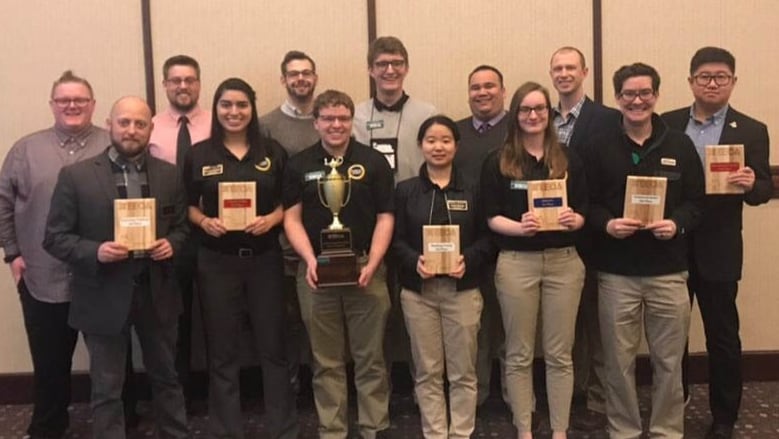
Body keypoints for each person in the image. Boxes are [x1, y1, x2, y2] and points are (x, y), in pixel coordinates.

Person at [43, 96, 190, 439]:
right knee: (107, 388)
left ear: (151, 129)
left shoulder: (169, 175)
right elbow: (54, 237)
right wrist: (95, 251)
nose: (131, 130)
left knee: (167, 378)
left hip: (158, 293)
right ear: (109, 124)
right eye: (124, 122)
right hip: (102, 294)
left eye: (140, 123)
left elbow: (183, 227)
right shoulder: (76, 176)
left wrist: (173, 244)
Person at [582, 63, 704, 438]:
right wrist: (607, 225)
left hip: (669, 273)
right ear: (618, 99)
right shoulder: (598, 146)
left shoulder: (679, 144)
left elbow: (696, 202)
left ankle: (667, 430)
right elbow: (587, 204)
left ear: (656, 95)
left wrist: (677, 224)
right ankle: (624, 430)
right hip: (617, 274)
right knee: (618, 363)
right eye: (629, 94)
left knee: (669, 361)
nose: (638, 100)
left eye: (645, 93)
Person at [662, 47, 772, 439]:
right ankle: (675, 403)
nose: (712, 83)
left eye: (721, 77)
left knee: (722, 335)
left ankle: (724, 416)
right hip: (671, 244)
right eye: (704, 76)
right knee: (671, 334)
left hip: (720, 248)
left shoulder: (753, 129)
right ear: (691, 81)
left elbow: (762, 190)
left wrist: (750, 183)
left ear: (733, 82)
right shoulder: (668, 123)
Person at [183, 78, 298, 439]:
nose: (234, 112)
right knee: (222, 351)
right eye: (226, 105)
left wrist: (273, 219)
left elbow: (291, 204)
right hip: (216, 262)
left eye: (242, 105)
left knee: (273, 348)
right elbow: (185, 206)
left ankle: (283, 429)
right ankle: (226, 431)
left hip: (264, 260)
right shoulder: (199, 155)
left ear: (252, 108)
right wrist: (204, 220)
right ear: (216, 109)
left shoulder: (273, 153)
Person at [0, 70, 107, 439]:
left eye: (80, 99)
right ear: (52, 105)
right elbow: (3, 203)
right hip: (41, 275)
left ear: (93, 105)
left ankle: (117, 425)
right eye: (64, 100)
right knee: (49, 362)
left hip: (102, 276)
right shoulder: (25, 150)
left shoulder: (113, 146)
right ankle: (48, 426)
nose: (72, 105)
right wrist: (11, 254)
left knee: (111, 361)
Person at [283, 90, 394, 439]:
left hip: (365, 268)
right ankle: (332, 430)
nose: (336, 125)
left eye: (343, 118)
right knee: (325, 360)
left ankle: (374, 427)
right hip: (316, 273)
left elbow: (385, 216)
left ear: (351, 121)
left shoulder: (374, 162)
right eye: (328, 118)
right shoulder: (299, 165)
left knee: (371, 358)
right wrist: (310, 261)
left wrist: (373, 263)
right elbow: (291, 218)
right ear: (316, 123)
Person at [481, 82, 588, 439]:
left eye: (540, 108)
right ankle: (524, 429)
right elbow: (490, 216)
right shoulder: (498, 160)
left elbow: (586, 209)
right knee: (519, 352)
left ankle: (560, 430)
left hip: (564, 263)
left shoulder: (569, 158)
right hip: (516, 262)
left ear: (549, 113)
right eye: (525, 109)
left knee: (560, 353)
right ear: (516, 114)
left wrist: (578, 219)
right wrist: (518, 227)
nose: (533, 115)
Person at [393, 115, 494, 438]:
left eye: (446, 140)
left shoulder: (473, 189)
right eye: (431, 140)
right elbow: (394, 240)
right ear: (421, 146)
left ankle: (461, 432)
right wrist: (413, 262)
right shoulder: (406, 191)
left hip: (462, 290)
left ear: (456, 146)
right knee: (427, 371)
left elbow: (488, 238)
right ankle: (435, 432)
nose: (438, 147)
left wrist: (469, 260)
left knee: (464, 371)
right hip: (419, 293)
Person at [548, 46, 619, 431]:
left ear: (585, 72)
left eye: (570, 67)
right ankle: (568, 393)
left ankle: (598, 398)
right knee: (562, 324)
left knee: (597, 321)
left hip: (595, 233)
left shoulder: (608, 119)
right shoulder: (541, 118)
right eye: (557, 68)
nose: (564, 73)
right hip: (550, 237)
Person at [149, 54, 212, 410]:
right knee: (175, 317)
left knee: (217, 313)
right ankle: (179, 394)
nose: (183, 86)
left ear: (199, 83)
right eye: (176, 80)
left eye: (189, 80)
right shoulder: (150, 127)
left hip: (213, 229)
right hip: (169, 234)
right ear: (165, 85)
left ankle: (218, 392)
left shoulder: (217, 125)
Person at [260, 50, 322, 396]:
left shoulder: (331, 118)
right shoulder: (267, 125)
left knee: (322, 322)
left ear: (315, 78)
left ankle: (323, 389)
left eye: (307, 73)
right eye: (294, 74)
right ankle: (291, 392)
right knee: (288, 322)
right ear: (283, 80)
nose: (301, 79)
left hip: (328, 242)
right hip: (283, 243)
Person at [454, 65, 508, 407]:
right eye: (476, 87)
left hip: (511, 243)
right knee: (473, 330)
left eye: (490, 86)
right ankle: (475, 400)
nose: (483, 92)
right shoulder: (455, 133)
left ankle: (513, 398)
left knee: (509, 327)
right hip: (468, 246)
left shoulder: (518, 129)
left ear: (503, 90)